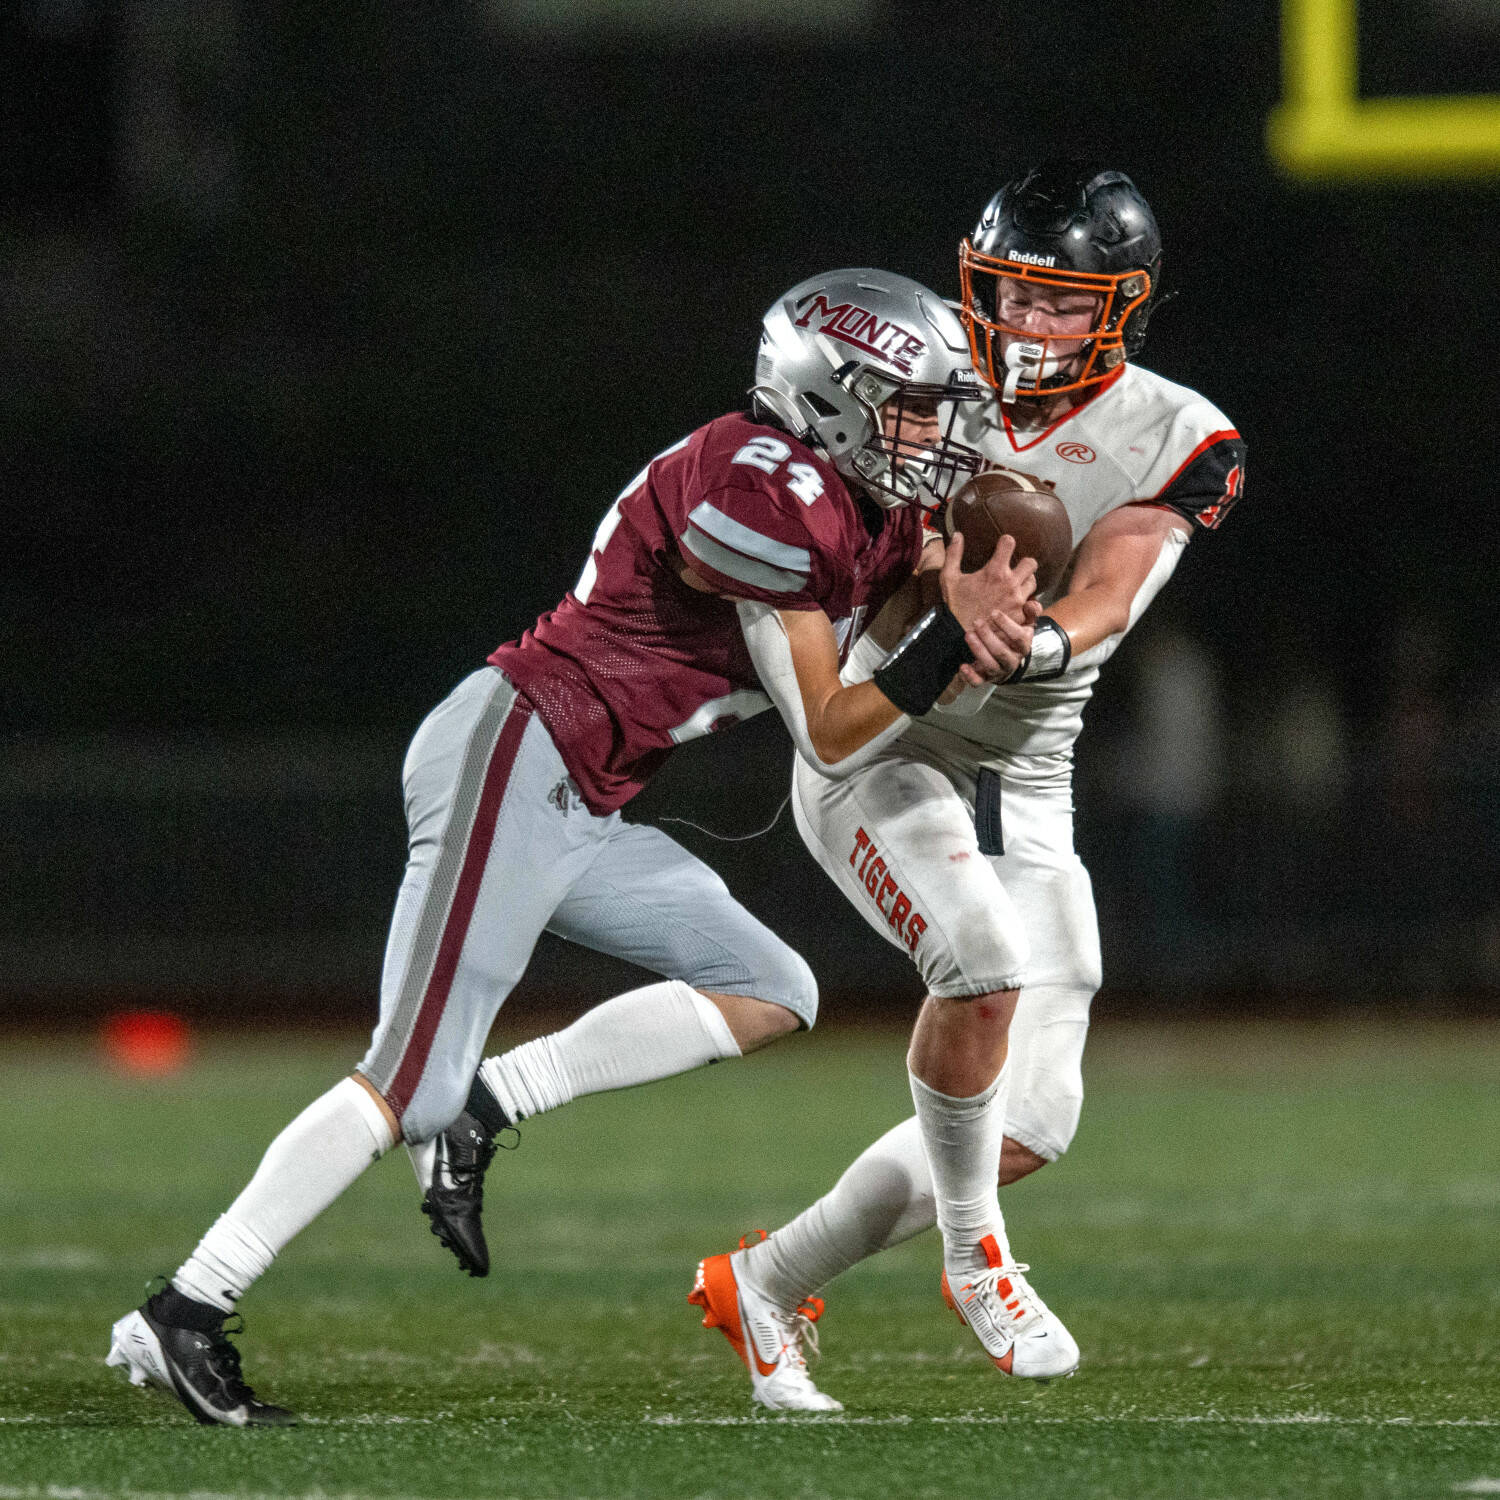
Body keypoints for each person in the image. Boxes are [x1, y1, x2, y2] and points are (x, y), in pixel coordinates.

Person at [104, 267, 1039, 1426]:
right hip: (518, 749)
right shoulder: (758, 480)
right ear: (829, 396)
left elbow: (883, 612)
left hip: (580, 795)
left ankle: (489, 1111)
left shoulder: (860, 502)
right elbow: (837, 730)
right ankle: (187, 1308)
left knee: (770, 988)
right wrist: (947, 636)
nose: (928, 439)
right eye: (909, 409)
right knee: (408, 1076)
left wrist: (961, 600)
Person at [688, 162, 1247, 1410]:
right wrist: (934, 590)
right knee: (981, 967)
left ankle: (764, 1280)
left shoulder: (1181, 431)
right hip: (892, 740)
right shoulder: (927, 382)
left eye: (1065, 304)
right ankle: (973, 1254)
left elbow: (1110, 582)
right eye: (1015, 296)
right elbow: (842, 558)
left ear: (1124, 306)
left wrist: (1031, 636)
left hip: (1031, 766)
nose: (1030, 328)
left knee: (1040, 1113)